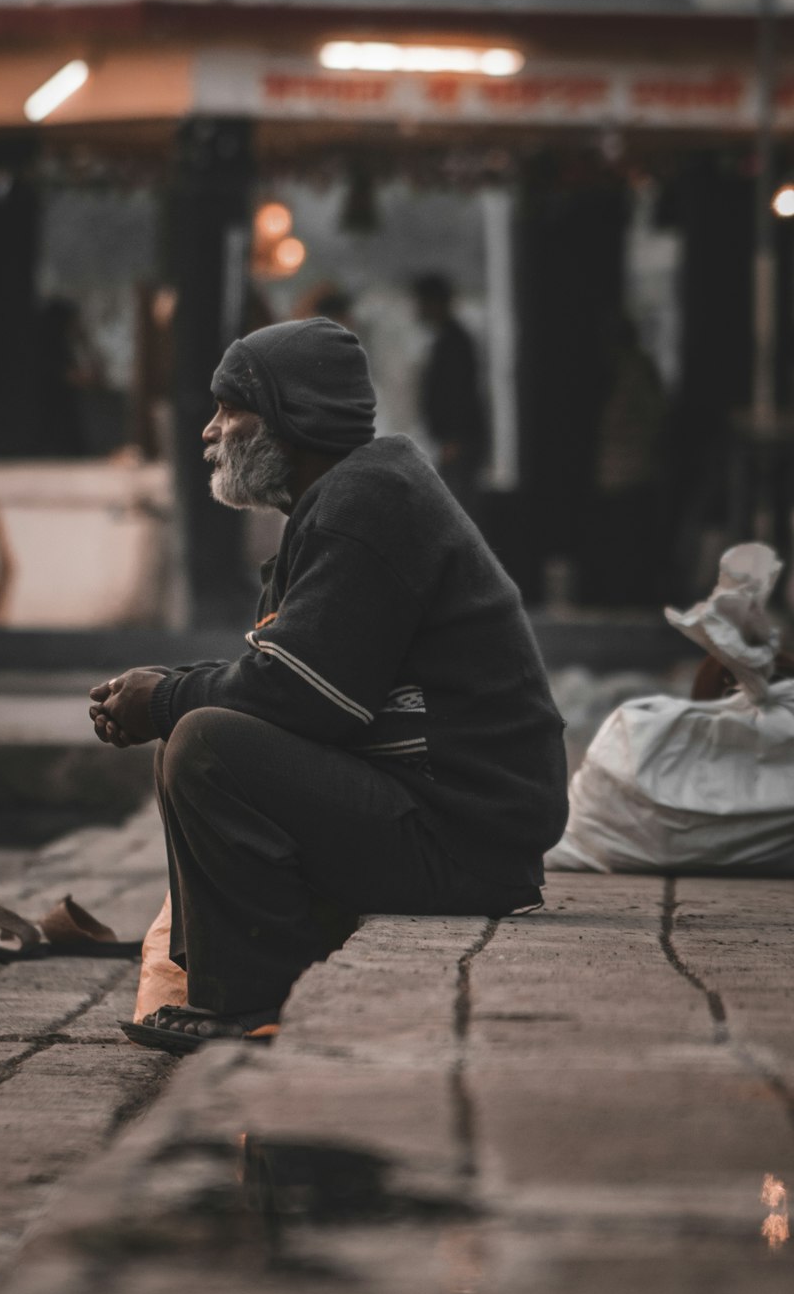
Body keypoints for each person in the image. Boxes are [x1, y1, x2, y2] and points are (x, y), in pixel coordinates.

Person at [89, 317, 567, 1052]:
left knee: (205, 744)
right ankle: (236, 984)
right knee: (196, 732)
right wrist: (168, 689)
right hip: (452, 825)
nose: (211, 432)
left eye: (231, 410)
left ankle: (257, 1000)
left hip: (464, 844)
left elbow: (309, 698)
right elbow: (285, 676)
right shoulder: (354, 495)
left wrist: (165, 698)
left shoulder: (366, 503)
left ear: (292, 417)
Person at [412, 272, 488, 515]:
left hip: (458, 441)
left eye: (422, 302)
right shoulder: (451, 339)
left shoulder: (453, 342)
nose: (418, 309)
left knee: (458, 511)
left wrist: (453, 438)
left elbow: (458, 394)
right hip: (456, 440)